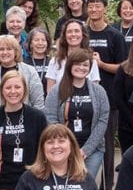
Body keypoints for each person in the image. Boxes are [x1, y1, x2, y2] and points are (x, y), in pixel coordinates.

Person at [44, 48, 110, 181]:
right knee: (67, 186)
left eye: (85, 65)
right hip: (62, 149)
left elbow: (102, 121)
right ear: (70, 66)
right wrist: (67, 147)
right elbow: (51, 118)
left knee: (85, 186)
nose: (81, 67)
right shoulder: (57, 90)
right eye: (77, 64)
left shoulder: (99, 91)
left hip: (92, 150)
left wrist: (86, 150)